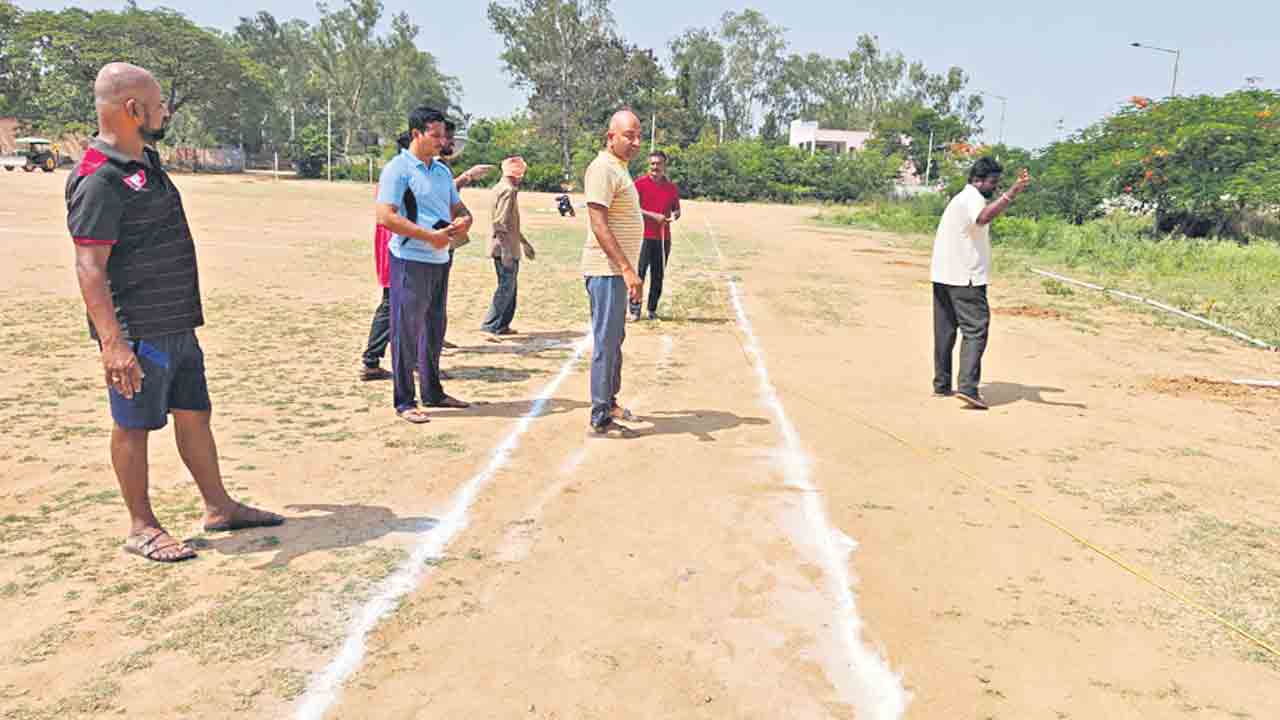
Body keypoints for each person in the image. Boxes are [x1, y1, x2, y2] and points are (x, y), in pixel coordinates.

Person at [67, 62, 282, 563]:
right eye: (159, 104)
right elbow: (90, 266)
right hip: (138, 330)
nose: (165, 112)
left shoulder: (144, 161)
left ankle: (218, 506)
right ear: (133, 109)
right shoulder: (99, 180)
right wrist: (114, 344)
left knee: (195, 414)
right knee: (133, 425)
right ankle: (141, 525)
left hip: (176, 321)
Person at [359, 129, 492, 380]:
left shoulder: (426, 171)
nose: (441, 144)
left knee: (413, 303)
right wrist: (465, 178)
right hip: (403, 246)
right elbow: (401, 213)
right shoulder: (400, 172)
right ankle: (378, 360)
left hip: (413, 244)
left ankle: (404, 360)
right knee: (397, 302)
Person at [376, 107, 473, 423]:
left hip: (439, 259)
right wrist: (428, 236)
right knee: (406, 329)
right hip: (410, 260)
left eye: (444, 135)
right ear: (417, 134)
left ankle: (433, 392)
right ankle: (404, 400)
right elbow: (386, 216)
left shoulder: (443, 172)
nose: (443, 141)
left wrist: (464, 219)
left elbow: (457, 206)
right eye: (436, 135)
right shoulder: (398, 170)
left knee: (434, 327)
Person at [930, 157, 1031, 409]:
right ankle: (968, 388)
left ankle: (942, 384)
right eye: (993, 183)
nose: (995, 188)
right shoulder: (974, 197)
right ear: (978, 180)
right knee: (976, 330)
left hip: (943, 276)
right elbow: (984, 217)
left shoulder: (959, 198)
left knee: (945, 331)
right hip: (966, 278)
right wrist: (1011, 193)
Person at [582, 110, 645, 434]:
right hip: (606, 271)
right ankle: (600, 414)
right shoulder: (602, 169)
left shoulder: (619, 169)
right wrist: (624, 268)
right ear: (611, 137)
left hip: (618, 272)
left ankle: (610, 399)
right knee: (606, 341)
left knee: (615, 338)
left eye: (638, 136)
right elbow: (598, 222)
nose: (635, 142)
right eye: (628, 135)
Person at [481, 157, 535, 336]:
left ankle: (502, 325)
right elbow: (500, 223)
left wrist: (525, 244)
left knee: (510, 286)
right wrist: (506, 252)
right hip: (504, 248)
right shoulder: (508, 191)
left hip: (508, 245)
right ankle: (490, 325)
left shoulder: (499, 188)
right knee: (505, 287)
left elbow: (510, 224)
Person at [631, 150, 681, 320]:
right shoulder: (639, 184)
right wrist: (653, 216)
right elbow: (633, 208)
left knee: (658, 276)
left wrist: (674, 216)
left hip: (663, 239)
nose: (655, 167)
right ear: (648, 165)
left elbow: (676, 209)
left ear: (664, 166)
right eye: (652, 163)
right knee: (639, 274)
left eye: (658, 164)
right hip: (643, 237)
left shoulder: (671, 188)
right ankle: (634, 310)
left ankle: (652, 309)